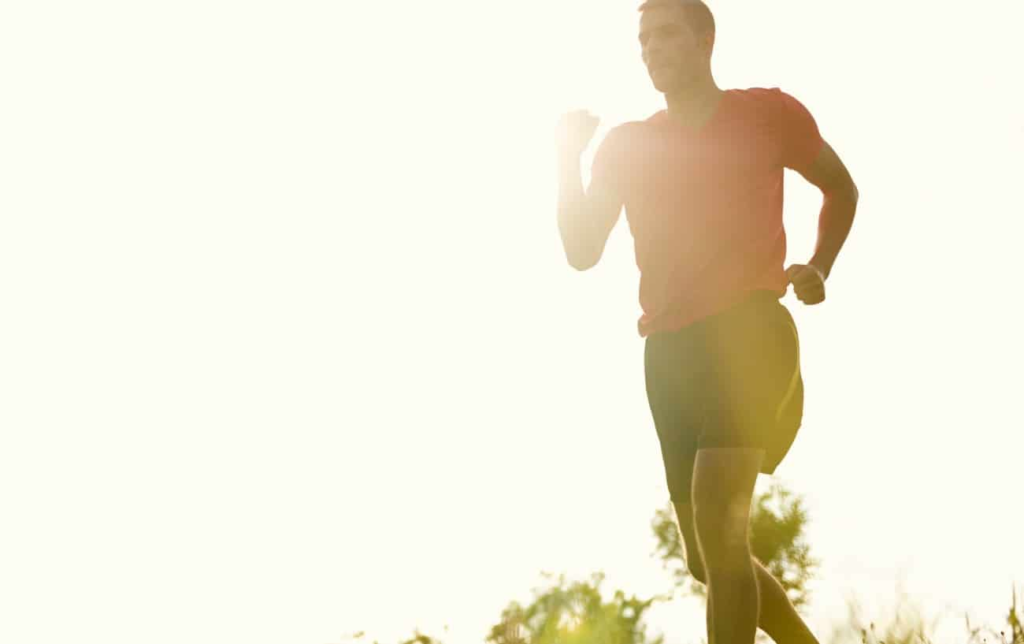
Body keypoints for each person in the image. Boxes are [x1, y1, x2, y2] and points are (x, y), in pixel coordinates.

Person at [554, 1, 859, 644]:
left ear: (705, 40)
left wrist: (820, 265)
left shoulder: (768, 113)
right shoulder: (628, 145)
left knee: (723, 525)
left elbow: (841, 187)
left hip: (749, 333)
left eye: (666, 35)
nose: (651, 49)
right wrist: (566, 161)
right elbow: (583, 251)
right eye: (642, 40)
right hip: (668, 352)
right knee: (706, 558)